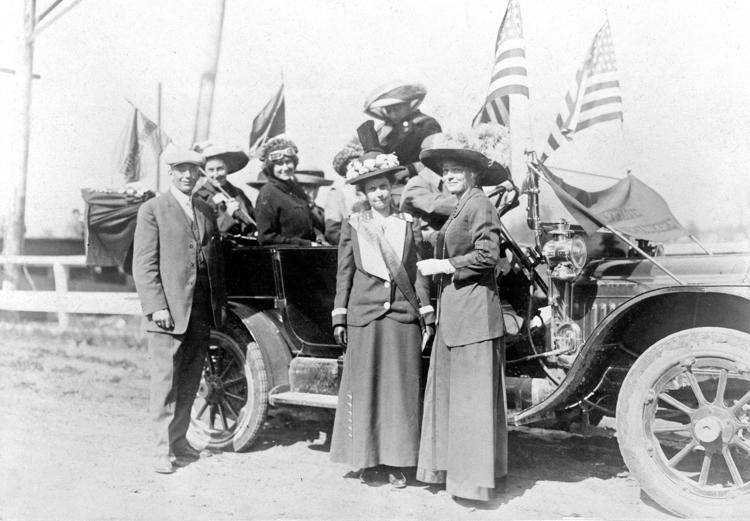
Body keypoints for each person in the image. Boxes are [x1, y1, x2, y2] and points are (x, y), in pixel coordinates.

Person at [414, 126, 510, 501]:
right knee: (461, 397)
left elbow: (489, 255)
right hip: (459, 312)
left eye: (456, 169)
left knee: (471, 398)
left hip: (473, 314)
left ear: (473, 174)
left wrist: (445, 266)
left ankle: (472, 484)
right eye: (446, 170)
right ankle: (461, 475)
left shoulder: (479, 203)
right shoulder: (462, 206)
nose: (449, 175)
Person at [329, 151, 435, 489]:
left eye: (384, 187)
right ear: (364, 193)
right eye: (373, 189)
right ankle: (366, 459)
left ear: (392, 189)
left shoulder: (407, 223)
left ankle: (398, 461)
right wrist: (340, 315)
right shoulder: (354, 224)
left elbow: (417, 272)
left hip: (401, 317)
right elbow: (344, 272)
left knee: (400, 392)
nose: (379, 194)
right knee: (367, 389)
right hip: (366, 316)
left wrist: (426, 309)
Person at [132, 148, 226, 474]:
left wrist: (218, 306)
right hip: (167, 314)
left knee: (189, 380)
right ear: (170, 172)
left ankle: (178, 441)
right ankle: (160, 450)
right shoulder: (153, 209)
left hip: (199, 312)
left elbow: (214, 261)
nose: (188, 176)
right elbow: (143, 266)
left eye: (194, 171)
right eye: (181, 170)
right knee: (165, 382)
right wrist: (156, 306)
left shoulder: (204, 209)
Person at [361, 81, 442, 180]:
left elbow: (438, 157)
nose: (393, 115)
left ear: (408, 105)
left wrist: (410, 169)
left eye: (396, 109)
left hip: (420, 181)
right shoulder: (388, 130)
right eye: (389, 110)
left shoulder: (426, 124)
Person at [255, 137, 320, 246]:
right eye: (279, 164)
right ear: (271, 167)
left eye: (288, 162)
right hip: (287, 257)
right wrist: (305, 244)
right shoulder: (268, 193)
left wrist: (318, 237)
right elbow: (266, 237)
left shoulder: (296, 189)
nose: (285, 168)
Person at [192, 144, 256, 236]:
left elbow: (252, 219)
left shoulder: (238, 193)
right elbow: (204, 231)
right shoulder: (199, 197)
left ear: (227, 169)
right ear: (204, 172)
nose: (216, 174)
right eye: (211, 170)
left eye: (220, 169)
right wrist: (228, 214)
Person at [323, 144, 367, 245]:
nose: (357, 168)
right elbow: (332, 231)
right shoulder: (337, 193)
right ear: (344, 171)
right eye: (352, 165)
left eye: (359, 163)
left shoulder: (369, 190)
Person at [294, 168, 333, 244]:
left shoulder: (321, 212)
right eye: (307, 187)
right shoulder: (288, 210)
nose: (312, 193)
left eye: (315, 187)